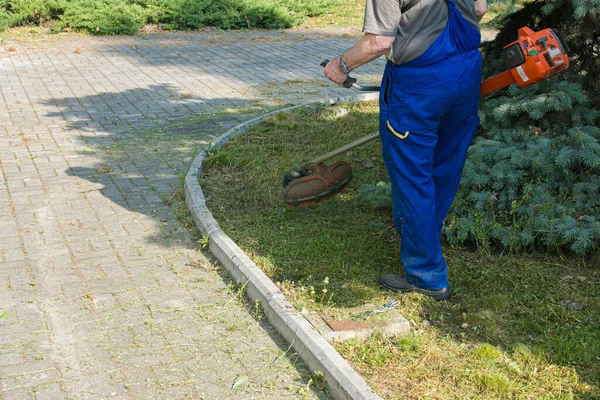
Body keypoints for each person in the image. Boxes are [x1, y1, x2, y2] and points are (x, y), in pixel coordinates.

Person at [324, 0, 487, 300]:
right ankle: (424, 239)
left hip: (419, 83)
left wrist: (341, 65)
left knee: (412, 176)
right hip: (465, 72)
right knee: (445, 166)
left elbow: (379, 41)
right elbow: (479, 9)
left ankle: (427, 274)